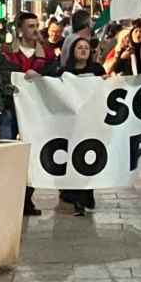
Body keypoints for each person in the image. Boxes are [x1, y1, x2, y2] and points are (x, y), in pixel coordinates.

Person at [2, 12, 56, 216]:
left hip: (36, 112)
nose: (35, 30)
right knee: (8, 153)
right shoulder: (7, 52)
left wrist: (40, 76)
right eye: (30, 26)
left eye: (36, 25)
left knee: (32, 155)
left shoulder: (48, 54)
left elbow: (55, 77)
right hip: (10, 110)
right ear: (20, 30)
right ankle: (9, 199)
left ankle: (27, 199)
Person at [53, 37, 105, 216]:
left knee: (89, 159)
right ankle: (75, 198)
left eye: (86, 48)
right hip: (71, 126)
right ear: (73, 51)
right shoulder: (64, 72)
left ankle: (87, 193)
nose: (83, 50)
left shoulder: (97, 70)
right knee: (73, 160)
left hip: (91, 124)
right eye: (79, 48)